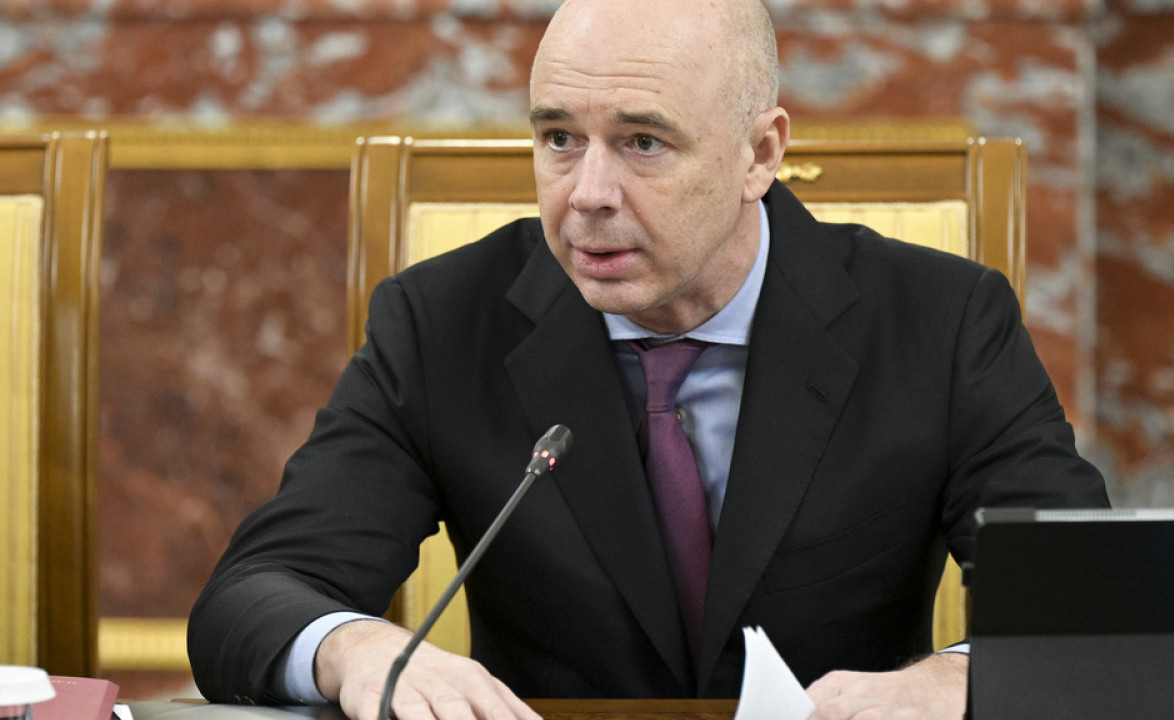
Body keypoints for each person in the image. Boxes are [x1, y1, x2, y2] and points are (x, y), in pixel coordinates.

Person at [188, 0, 1110, 718]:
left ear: (759, 154)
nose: (589, 194)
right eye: (560, 139)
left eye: (643, 142)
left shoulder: (940, 322)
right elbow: (254, 595)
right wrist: (355, 647)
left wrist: (957, 680)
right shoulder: (443, 322)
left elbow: (1087, 606)